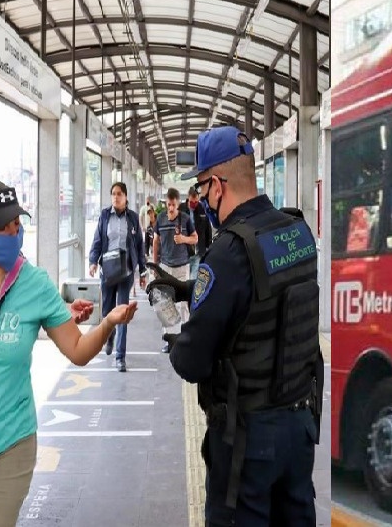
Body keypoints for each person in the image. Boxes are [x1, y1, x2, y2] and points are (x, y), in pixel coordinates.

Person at [0, 181, 137, 527]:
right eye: (2, 226)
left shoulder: (34, 283)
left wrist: (108, 322)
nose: (13, 232)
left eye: (17, 222)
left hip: (12, 443)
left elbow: (76, 350)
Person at [148, 126, 322, 527]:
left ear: (217, 186)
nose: (201, 198)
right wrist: (189, 289)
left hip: (249, 442)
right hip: (299, 428)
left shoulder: (227, 250)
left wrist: (173, 329)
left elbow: (191, 363)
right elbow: (262, 292)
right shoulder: (296, 231)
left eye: (202, 188)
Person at [88, 182, 148, 372]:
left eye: (119, 194)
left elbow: (139, 245)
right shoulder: (105, 216)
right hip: (107, 270)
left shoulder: (132, 218)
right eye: (113, 194)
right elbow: (97, 240)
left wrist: (143, 271)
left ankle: (120, 356)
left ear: (126, 197)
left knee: (122, 313)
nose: (116, 197)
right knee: (107, 311)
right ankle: (109, 335)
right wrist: (93, 261)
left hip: (126, 271)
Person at [153, 188, 197, 354]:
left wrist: (183, 239)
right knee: (165, 303)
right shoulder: (160, 218)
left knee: (182, 304)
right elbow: (156, 241)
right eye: (168, 204)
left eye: (173, 205)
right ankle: (169, 339)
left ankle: (183, 336)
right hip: (165, 266)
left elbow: (195, 237)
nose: (170, 208)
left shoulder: (185, 219)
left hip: (182, 265)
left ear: (178, 203)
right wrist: (155, 264)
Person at [182, 187, 213, 279]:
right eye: (192, 202)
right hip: (184, 251)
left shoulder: (202, 208)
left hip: (198, 250)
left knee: (194, 278)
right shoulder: (181, 209)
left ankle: (191, 292)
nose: (194, 205)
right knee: (183, 279)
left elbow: (208, 228)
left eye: (196, 202)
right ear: (188, 198)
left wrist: (209, 246)